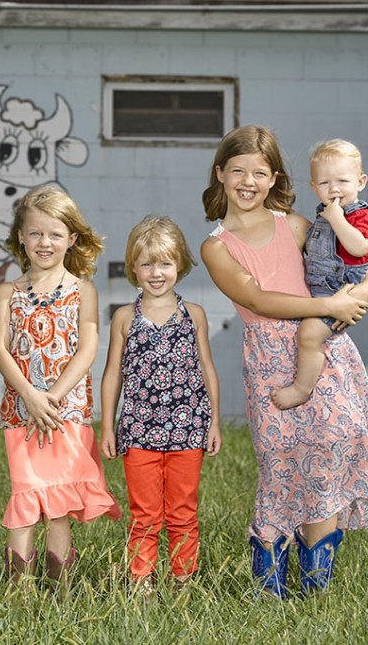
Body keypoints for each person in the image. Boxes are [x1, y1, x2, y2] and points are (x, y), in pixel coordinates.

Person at [200, 126, 368, 598]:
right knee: (281, 461)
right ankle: (269, 582)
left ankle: (316, 581)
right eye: (237, 170)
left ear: (274, 178)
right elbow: (258, 299)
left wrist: (355, 298)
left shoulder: (298, 224)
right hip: (270, 357)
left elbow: (356, 274)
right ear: (220, 174)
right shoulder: (216, 246)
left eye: (259, 172)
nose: (248, 181)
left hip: (324, 349)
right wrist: (328, 307)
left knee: (329, 448)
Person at [0, 184, 121, 589]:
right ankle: (18, 592)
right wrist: (30, 395)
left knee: (60, 505)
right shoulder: (7, 293)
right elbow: (0, 349)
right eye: (35, 233)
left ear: (72, 239)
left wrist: (53, 396)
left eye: (54, 234)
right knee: (26, 499)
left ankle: (60, 591)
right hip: (23, 415)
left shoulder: (82, 291)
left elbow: (87, 350)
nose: (44, 242)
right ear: (21, 238)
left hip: (66, 414)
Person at [101, 216, 222, 593]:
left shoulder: (194, 316)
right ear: (133, 267)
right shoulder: (124, 318)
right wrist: (107, 425)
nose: (157, 273)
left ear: (180, 265)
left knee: (183, 510)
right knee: (145, 513)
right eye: (147, 264)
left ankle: (182, 580)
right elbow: (112, 375)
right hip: (138, 432)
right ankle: (141, 581)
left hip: (188, 430)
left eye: (165, 263)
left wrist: (214, 421)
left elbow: (207, 369)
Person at [272, 139, 368, 410]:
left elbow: (360, 247)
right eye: (324, 183)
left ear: (361, 181)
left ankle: (301, 389)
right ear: (313, 187)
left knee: (309, 335)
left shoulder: (361, 217)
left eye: (343, 181)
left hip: (338, 291)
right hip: (320, 289)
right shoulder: (325, 215)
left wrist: (337, 220)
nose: (333, 189)